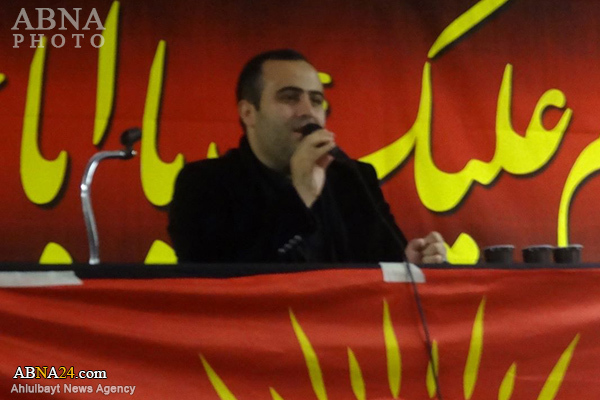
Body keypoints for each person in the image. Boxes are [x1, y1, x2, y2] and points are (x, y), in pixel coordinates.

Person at [168, 49, 446, 264]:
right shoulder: (203, 184)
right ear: (248, 113)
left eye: (316, 100)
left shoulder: (352, 178)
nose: (308, 112)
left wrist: (408, 264)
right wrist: (300, 194)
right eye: (290, 97)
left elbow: (380, 265)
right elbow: (215, 282)